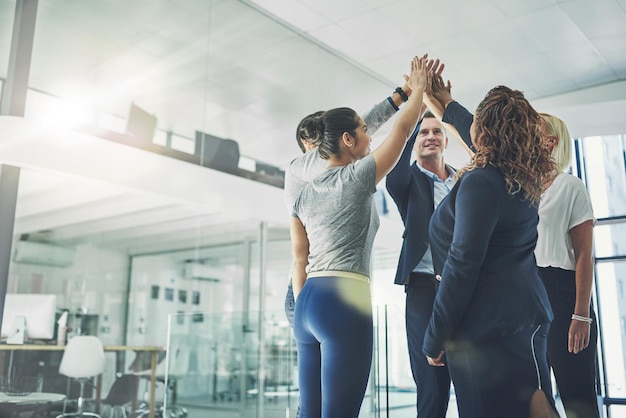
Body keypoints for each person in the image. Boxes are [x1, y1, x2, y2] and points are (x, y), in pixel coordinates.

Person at [289, 55, 427, 418]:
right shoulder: (356, 178)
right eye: (364, 131)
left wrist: (401, 94)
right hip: (342, 300)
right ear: (348, 140)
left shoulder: (302, 192)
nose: (370, 134)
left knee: (311, 413)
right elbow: (401, 131)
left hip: (307, 301)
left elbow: (298, 256)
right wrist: (421, 87)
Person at [422, 85, 559, 418]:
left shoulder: (482, 182)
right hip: (521, 320)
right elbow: (482, 138)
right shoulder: (519, 176)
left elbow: (462, 265)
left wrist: (434, 336)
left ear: (484, 131)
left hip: (486, 330)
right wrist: (445, 103)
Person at [284, 77, 419, 326]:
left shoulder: (345, 178)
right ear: (308, 145)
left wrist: (405, 94)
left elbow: (362, 128)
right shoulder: (299, 170)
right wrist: (408, 94)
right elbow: (299, 258)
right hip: (311, 286)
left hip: (325, 288)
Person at [385, 91, 473, 415]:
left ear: (447, 140)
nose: (431, 136)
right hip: (423, 290)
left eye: (437, 131)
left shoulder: (464, 181)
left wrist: (446, 112)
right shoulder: (407, 183)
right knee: (432, 386)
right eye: (424, 132)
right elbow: (393, 168)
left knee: (469, 383)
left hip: (463, 288)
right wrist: (414, 116)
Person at [536, 113, 600, 418]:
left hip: (564, 296)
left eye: (531, 127)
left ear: (550, 142)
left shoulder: (570, 186)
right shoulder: (521, 189)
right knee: (536, 396)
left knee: (578, 400)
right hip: (529, 295)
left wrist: (581, 314)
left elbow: (585, 255)